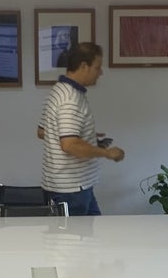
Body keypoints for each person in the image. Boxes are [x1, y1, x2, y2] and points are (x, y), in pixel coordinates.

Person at [37, 42, 125, 216]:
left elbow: (43, 131)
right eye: (97, 67)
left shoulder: (58, 90)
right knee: (77, 242)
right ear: (84, 66)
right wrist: (108, 153)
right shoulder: (70, 99)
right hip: (71, 190)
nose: (100, 73)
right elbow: (69, 145)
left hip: (71, 185)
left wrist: (86, 136)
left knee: (91, 235)